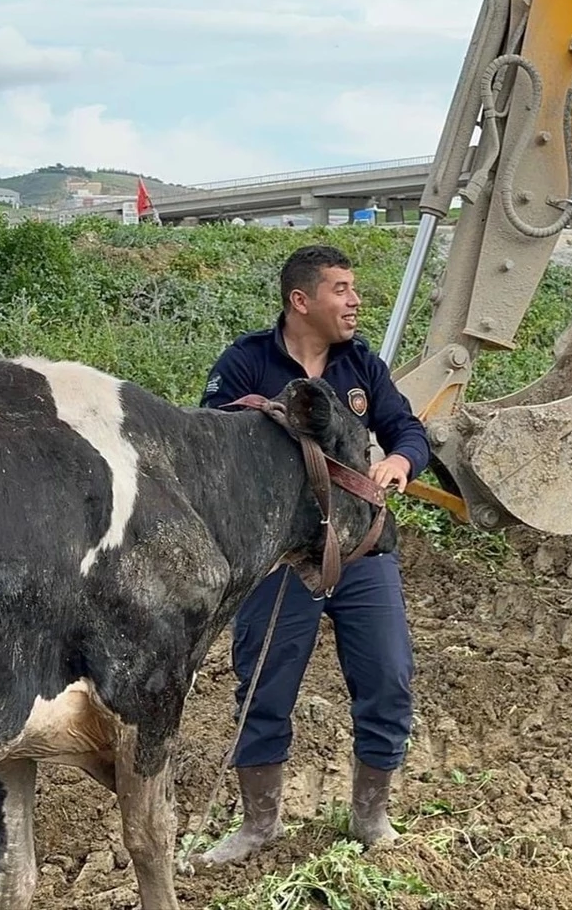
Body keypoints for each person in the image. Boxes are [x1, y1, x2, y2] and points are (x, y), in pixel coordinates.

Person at [196, 243, 430, 866]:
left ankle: (371, 818)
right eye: (341, 289)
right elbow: (210, 445)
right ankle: (257, 826)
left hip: (362, 551)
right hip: (279, 561)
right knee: (263, 688)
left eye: (354, 289)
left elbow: (408, 429)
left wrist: (402, 460)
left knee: (388, 677)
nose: (355, 301)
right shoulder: (245, 363)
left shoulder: (364, 366)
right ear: (301, 301)